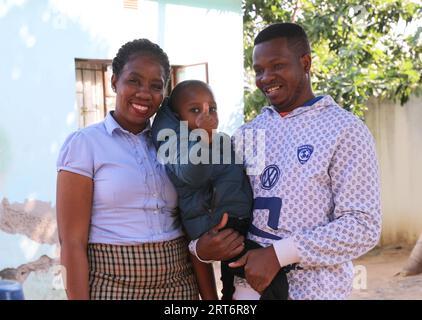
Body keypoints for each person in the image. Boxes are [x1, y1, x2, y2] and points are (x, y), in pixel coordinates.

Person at [56, 39, 220, 300]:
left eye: (156, 86)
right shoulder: (85, 144)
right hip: (112, 287)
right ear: (114, 82)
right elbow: (72, 244)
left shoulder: (175, 146)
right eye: (134, 81)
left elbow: (191, 227)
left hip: (179, 288)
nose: (144, 93)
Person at [227, 23, 381, 300]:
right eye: (259, 70)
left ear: (306, 62)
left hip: (315, 292)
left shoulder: (344, 130)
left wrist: (278, 255)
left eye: (276, 66)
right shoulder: (247, 134)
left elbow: (363, 225)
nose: (266, 78)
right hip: (246, 292)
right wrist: (201, 247)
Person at [151, 80, 291, 300]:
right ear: (178, 119)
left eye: (211, 108)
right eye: (195, 110)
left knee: (231, 284)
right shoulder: (178, 146)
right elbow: (192, 173)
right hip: (217, 227)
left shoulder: (220, 141)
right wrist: (205, 139)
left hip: (235, 224)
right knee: (274, 280)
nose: (206, 114)